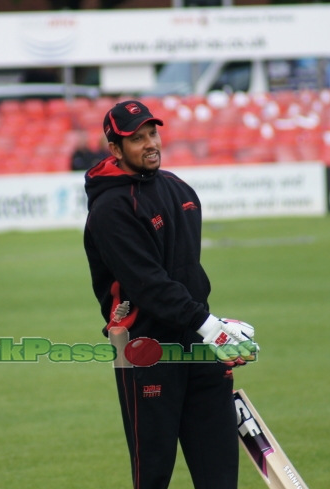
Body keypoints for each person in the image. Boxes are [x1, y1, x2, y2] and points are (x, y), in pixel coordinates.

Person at [83, 100, 258, 488]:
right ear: (115, 148)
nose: (149, 144)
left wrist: (213, 328)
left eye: (152, 133)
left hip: (198, 344)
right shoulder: (110, 209)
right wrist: (210, 326)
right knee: (154, 474)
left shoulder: (180, 188)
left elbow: (185, 276)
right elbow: (148, 284)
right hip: (145, 349)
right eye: (136, 138)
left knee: (220, 473)